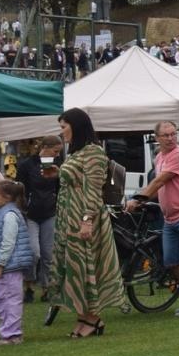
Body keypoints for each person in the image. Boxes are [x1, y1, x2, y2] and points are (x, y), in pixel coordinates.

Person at [50, 109, 125, 340]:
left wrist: (87, 221)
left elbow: (93, 190)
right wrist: (59, 173)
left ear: (76, 126)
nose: (61, 132)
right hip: (68, 217)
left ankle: (93, 318)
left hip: (84, 216)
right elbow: (76, 180)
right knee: (75, 268)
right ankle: (84, 316)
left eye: (64, 127)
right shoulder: (76, 153)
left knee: (88, 265)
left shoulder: (93, 152)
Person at [126, 122, 179, 317]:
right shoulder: (160, 157)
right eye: (166, 135)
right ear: (157, 138)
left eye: (173, 134)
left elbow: (160, 180)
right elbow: (160, 186)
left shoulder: (178, 154)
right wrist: (143, 199)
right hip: (169, 217)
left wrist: (138, 198)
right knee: (171, 261)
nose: (170, 138)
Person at [14, 136, 61, 300]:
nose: (57, 155)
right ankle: (29, 284)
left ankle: (46, 288)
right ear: (45, 147)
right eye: (56, 151)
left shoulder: (58, 165)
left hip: (50, 212)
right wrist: (22, 209)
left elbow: (60, 188)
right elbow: (19, 188)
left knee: (48, 254)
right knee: (33, 252)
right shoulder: (26, 165)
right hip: (30, 214)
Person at [0, 180, 34, 344]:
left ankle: (12, 334)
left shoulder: (9, 216)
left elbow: (8, 242)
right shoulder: (2, 214)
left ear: (6, 197)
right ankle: (8, 332)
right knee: (1, 299)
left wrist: (0, 264)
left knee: (10, 299)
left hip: (9, 266)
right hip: (5, 266)